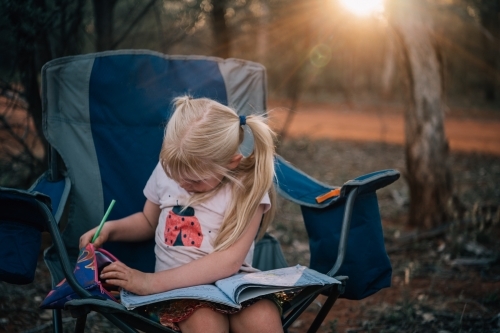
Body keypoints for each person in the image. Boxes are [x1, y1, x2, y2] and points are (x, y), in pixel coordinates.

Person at [80, 96, 283, 333]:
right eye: (175, 173)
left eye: (195, 180)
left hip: (234, 284)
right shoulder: (169, 172)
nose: (182, 183)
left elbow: (229, 261)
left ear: (231, 162)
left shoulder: (248, 189)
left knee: (262, 318)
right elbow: (147, 221)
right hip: (177, 290)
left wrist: (148, 282)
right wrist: (111, 229)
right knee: (205, 323)